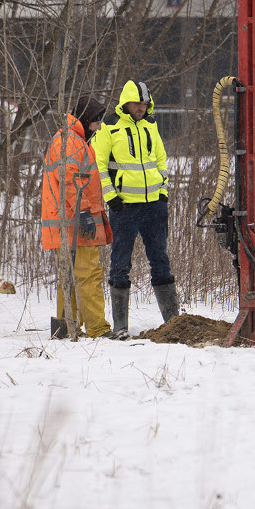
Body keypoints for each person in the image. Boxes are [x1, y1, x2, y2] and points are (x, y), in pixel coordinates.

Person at [94, 79, 178, 338]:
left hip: (154, 206)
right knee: (120, 264)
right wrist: (111, 198)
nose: (141, 108)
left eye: (144, 104)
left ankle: (174, 323)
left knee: (161, 261)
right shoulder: (109, 126)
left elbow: (161, 159)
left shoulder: (151, 125)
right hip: (124, 208)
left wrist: (163, 193)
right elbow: (100, 165)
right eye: (137, 103)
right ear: (126, 102)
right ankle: (120, 327)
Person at [41, 97, 112, 339]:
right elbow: (69, 180)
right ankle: (97, 328)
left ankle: (66, 326)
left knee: (69, 275)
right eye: (96, 121)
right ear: (85, 119)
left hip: (68, 221)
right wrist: (83, 212)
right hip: (76, 222)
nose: (99, 127)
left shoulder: (74, 139)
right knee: (89, 274)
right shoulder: (72, 142)